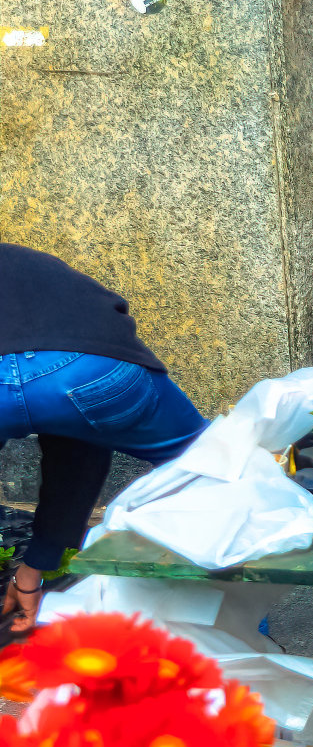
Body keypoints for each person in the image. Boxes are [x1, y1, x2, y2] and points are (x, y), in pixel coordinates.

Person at [0, 244, 208, 635]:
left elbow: (74, 449)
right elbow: (77, 438)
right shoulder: (26, 265)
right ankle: (237, 630)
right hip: (91, 367)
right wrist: (34, 569)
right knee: (211, 463)